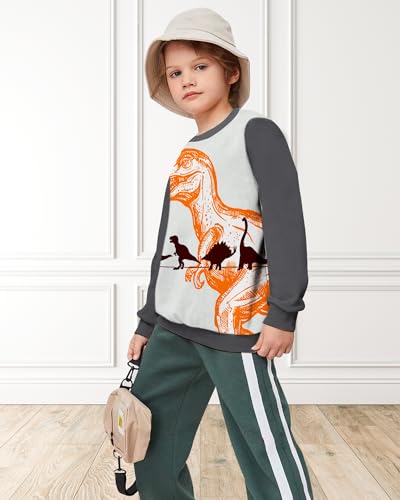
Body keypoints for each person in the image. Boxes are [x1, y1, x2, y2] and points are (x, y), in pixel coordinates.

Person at [127, 7, 314, 500]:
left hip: (236, 330)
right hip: (173, 326)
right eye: (174, 73)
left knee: (265, 450)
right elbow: (169, 244)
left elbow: (287, 226)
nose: (186, 80)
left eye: (199, 66)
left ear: (230, 72)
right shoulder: (188, 155)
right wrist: (148, 322)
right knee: (148, 444)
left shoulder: (256, 133)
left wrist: (283, 313)